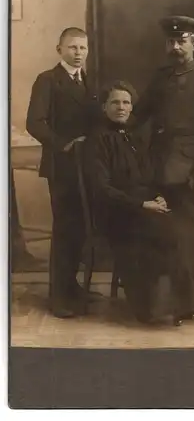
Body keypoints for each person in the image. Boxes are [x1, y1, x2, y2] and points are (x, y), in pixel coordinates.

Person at [84, 80, 194, 326]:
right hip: (115, 211)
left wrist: (156, 197)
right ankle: (153, 309)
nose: (121, 107)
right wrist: (141, 205)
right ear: (104, 106)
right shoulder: (97, 140)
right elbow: (101, 188)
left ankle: (180, 305)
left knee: (176, 230)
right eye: (115, 102)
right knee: (156, 233)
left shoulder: (134, 138)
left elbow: (147, 177)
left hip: (143, 207)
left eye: (126, 102)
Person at [132, 15, 194, 319]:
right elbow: (138, 114)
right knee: (166, 233)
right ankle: (169, 302)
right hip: (160, 165)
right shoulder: (160, 78)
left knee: (192, 233)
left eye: (181, 41)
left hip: (192, 168)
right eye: (171, 42)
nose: (175, 47)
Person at [26, 27, 100, 318]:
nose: (78, 53)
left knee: (80, 229)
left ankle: (72, 286)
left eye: (82, 48)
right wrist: (64, 145)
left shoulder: (89, 82)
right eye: (72, 48)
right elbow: (35, 122)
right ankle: (58, 297)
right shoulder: (47, 80)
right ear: (60, 50)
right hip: (62, 166)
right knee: (65, 229)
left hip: (86, 166)